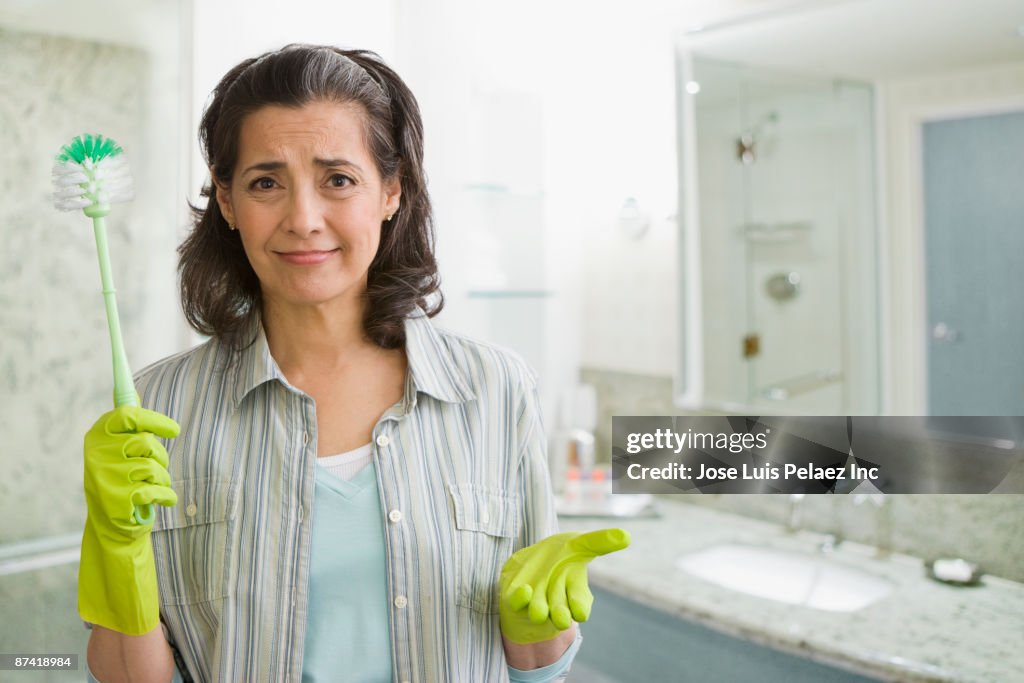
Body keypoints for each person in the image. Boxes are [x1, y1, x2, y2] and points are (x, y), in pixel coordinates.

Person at [78, 44, 629, 683]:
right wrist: (115, 552)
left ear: (391, 192)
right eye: (265, 183)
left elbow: (538, 668)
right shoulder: (154, 410)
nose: (304, 219)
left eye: (338, 179)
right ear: (227, 202)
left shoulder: (495, 389)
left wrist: (538, 633)